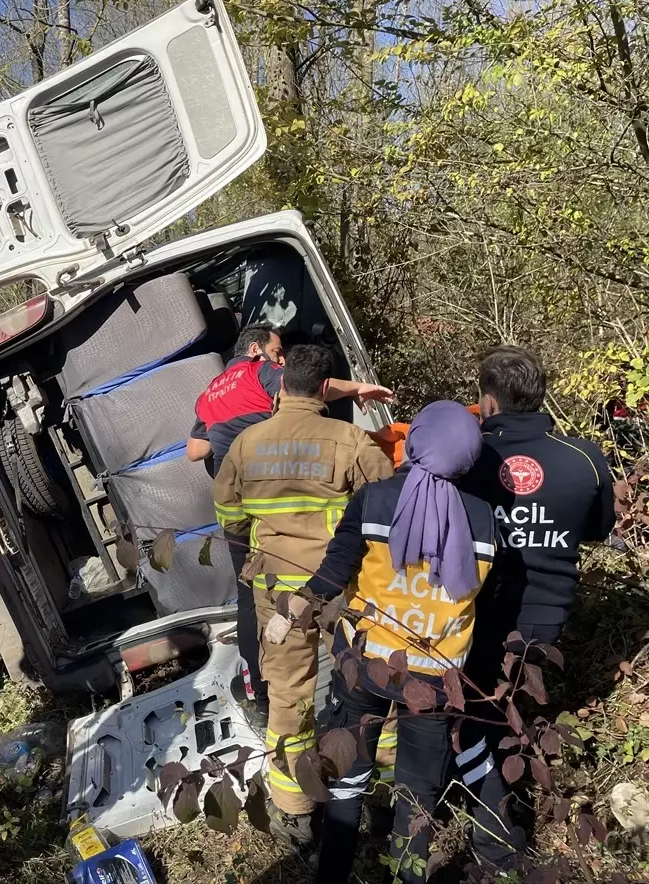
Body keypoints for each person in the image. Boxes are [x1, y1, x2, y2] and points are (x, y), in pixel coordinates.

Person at [272, 401, 496, 884]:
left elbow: (334, 570)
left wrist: (294, 607)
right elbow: (483, 597)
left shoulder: (373, 500)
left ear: (415, 439)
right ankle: (407, 875)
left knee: (348, 775)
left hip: (365, 662)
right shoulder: (483, 518)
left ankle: (333, 873)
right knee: (418, 793)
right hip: (436, 679)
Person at [212, 344, 395, 848]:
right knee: (370, 682)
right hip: (343, 587)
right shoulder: (350, 439)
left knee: (289, 696)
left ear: (284, 383)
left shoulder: (246, 444)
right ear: (323, 388)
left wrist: (257, 548)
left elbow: (229, 515)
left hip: (278, 592)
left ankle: (294, 807)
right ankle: (384, 788)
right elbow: (388, 505)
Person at [456, 347, 616, 870]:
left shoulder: (469, 459)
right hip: (548, 622)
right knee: (511, 708)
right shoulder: (585, 457)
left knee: (481, 718)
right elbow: (596, 531)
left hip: (479, 619)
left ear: (486, 401)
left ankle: (497, 842)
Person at [188, 324, 393, 728]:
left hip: (268, 555)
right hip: (333, 569)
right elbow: (387, 500)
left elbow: (197, 451)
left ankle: (260, 696)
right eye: (276, 352)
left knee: (263, 629)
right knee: (359, 660)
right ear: (255, 350)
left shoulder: (211, 393)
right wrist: (358, 389)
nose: (279, 360)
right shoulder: (259, 370)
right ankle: (375, 755)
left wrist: (247, 538)